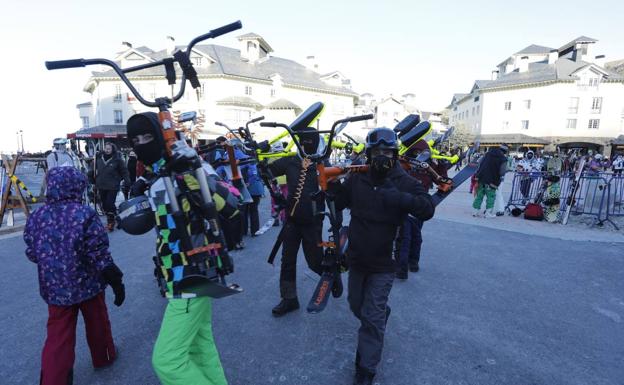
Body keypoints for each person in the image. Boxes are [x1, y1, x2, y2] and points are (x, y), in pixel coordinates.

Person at [126, 112, 239, 385]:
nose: (142, 144)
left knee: (167, 360)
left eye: (148, 137)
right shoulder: (155, 175)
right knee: (201, 347)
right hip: (176, 273)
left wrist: (191, 168)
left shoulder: (188, 166)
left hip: (193, 274)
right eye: (136, 139)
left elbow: (233, 205)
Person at [329, 127, 434, 385]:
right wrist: (330, 187)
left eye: (388, 151)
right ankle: (378, 316)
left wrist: (399, 198)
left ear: (396, 154)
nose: (382, 156)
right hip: (356, 259)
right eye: (377, 151)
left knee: (371, 318)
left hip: (384, 263)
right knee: (357, 307)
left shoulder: (404, 181)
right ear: (369, 153)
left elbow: (427, 208)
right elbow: (340, 201)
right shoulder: (357, 178)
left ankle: (366, 369)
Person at [23, 166, 125, 385]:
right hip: (88, 282)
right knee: (97, 321)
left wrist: (52, 263)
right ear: (77, 186)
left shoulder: (37, 216)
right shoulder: (84, 214)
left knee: (58, 334)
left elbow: (32, 252)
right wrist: (113, 277)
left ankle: (54, 379)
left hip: (55, 287)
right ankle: (104, 356)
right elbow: (97, 251)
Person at [264, 127, 328, 317]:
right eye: (303, 141)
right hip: (292, 220)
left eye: (309, 142)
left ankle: (330, 278)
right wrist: (260, 157)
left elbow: (333, 192)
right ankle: (289, 299)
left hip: (312, 222)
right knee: (287, 260)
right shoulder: (291, 161)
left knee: (315, 261)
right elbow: (268, 171)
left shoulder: (321, 164)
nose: (305, 145)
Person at [95, 142, 130, 231]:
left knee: (109, 203)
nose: (107, 150)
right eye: (106, 148)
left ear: (112, 149)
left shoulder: (117, 160)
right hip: (101, 185)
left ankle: (111, 222)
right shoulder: (98, 158)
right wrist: (91, 180)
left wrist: (127, 181)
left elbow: (124, 171)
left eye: (109, 149)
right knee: (105, 205)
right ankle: (117, 218)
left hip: (112, 185)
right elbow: (94, 170)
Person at [472, 144, 508, 217]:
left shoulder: (487, 154)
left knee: (479, 196)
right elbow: (502, 172)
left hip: (482, 178)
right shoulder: (503, 159)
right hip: (493, 181)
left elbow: (480, 163)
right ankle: (488, 213)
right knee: (491, 197)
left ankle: (475, 212)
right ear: (505, 151)